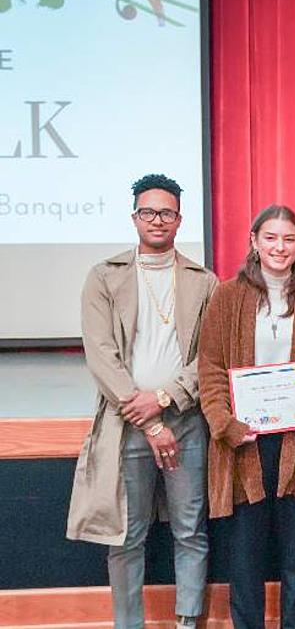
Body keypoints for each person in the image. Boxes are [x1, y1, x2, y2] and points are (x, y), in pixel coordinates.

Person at [67, 173, 216, 629]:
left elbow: (209, 358)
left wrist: (166, 399)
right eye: (148, 212)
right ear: (135, 217)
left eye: (166, 213)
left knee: (190, 531)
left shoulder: (203, 281)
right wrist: (149, 420)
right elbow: (102, 357)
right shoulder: (104, 277)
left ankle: (187, 622)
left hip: (186, 422)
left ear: (179, 220)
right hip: (126, 423)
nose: (157, 219)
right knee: (126, 537)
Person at [198, 204, 295, 629]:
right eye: (270, 237)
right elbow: (211, 369)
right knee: (246, 565)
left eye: (288, 239)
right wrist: (226, 425)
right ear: (254, 242)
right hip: (244, 447)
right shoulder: (226, 295)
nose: (279, 246)